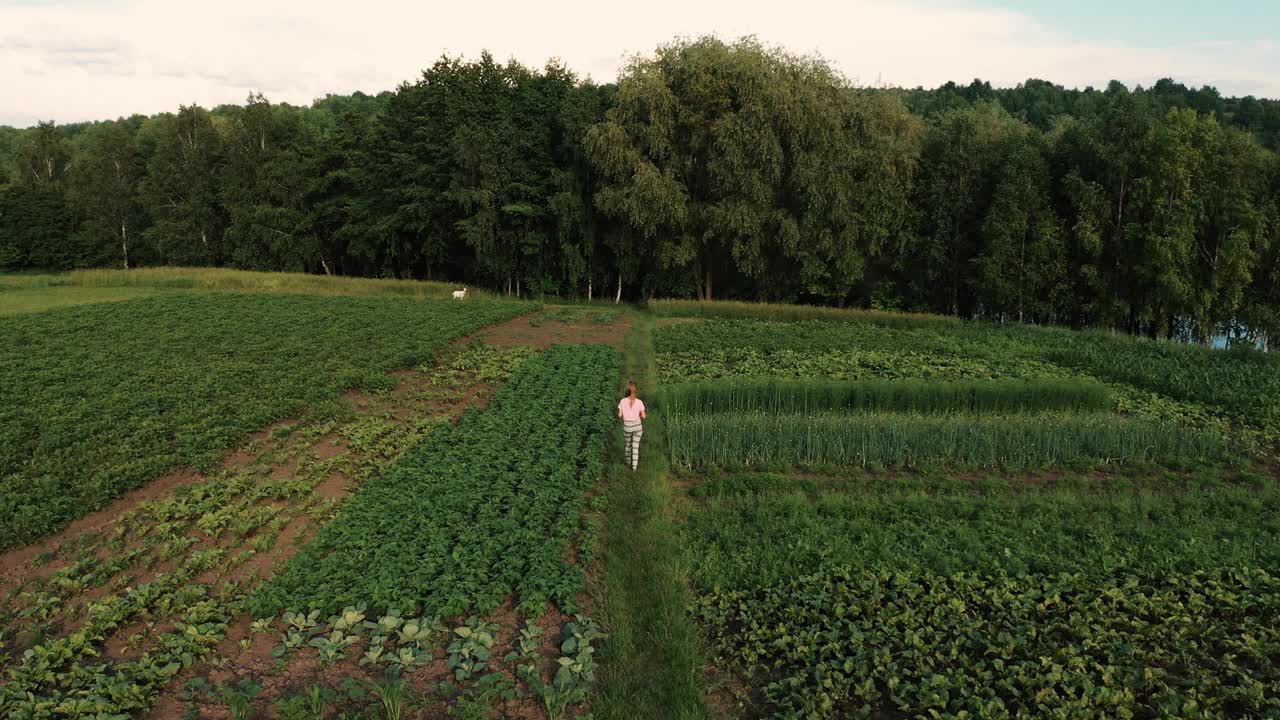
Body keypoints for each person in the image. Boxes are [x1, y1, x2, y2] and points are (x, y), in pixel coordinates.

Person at [617, 380, 647, 471]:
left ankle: (627, 462)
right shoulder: (639, 402)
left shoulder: (622, 401)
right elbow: (644, 416)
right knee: (635, 446)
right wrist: (639, 414)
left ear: (627, 391)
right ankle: (634, 467)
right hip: (638, 427)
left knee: (628, 444)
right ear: (635, 391)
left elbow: (620, 415)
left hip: (627, 427)